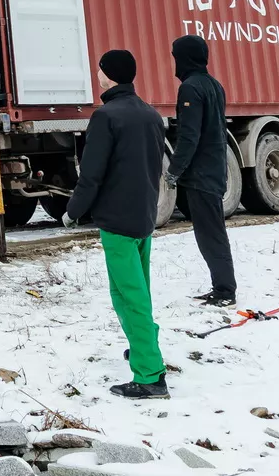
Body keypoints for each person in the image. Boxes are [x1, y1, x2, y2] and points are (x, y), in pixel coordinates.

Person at [63, 49, 170, 399]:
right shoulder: (151, 115)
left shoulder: (106, 116)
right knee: (139, 291)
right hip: (143, 216)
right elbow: (153, 166)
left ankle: (150, 375)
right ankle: (143, 347)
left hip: (118, 222)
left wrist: (73, 211)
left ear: (107, 75)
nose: (97, 74)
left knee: (128, 295)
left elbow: (91, 174)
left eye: (99, 69)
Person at [167, 33, 236, 307]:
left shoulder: (190, 88)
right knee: (213, 231)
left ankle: (225, 291)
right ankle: (222, 287)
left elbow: (189, 136)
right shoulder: (214, 84)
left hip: (201, 174)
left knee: (210, 234)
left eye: (176, 57)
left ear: (184, 58)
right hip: (214, 168)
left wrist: (174, 170)